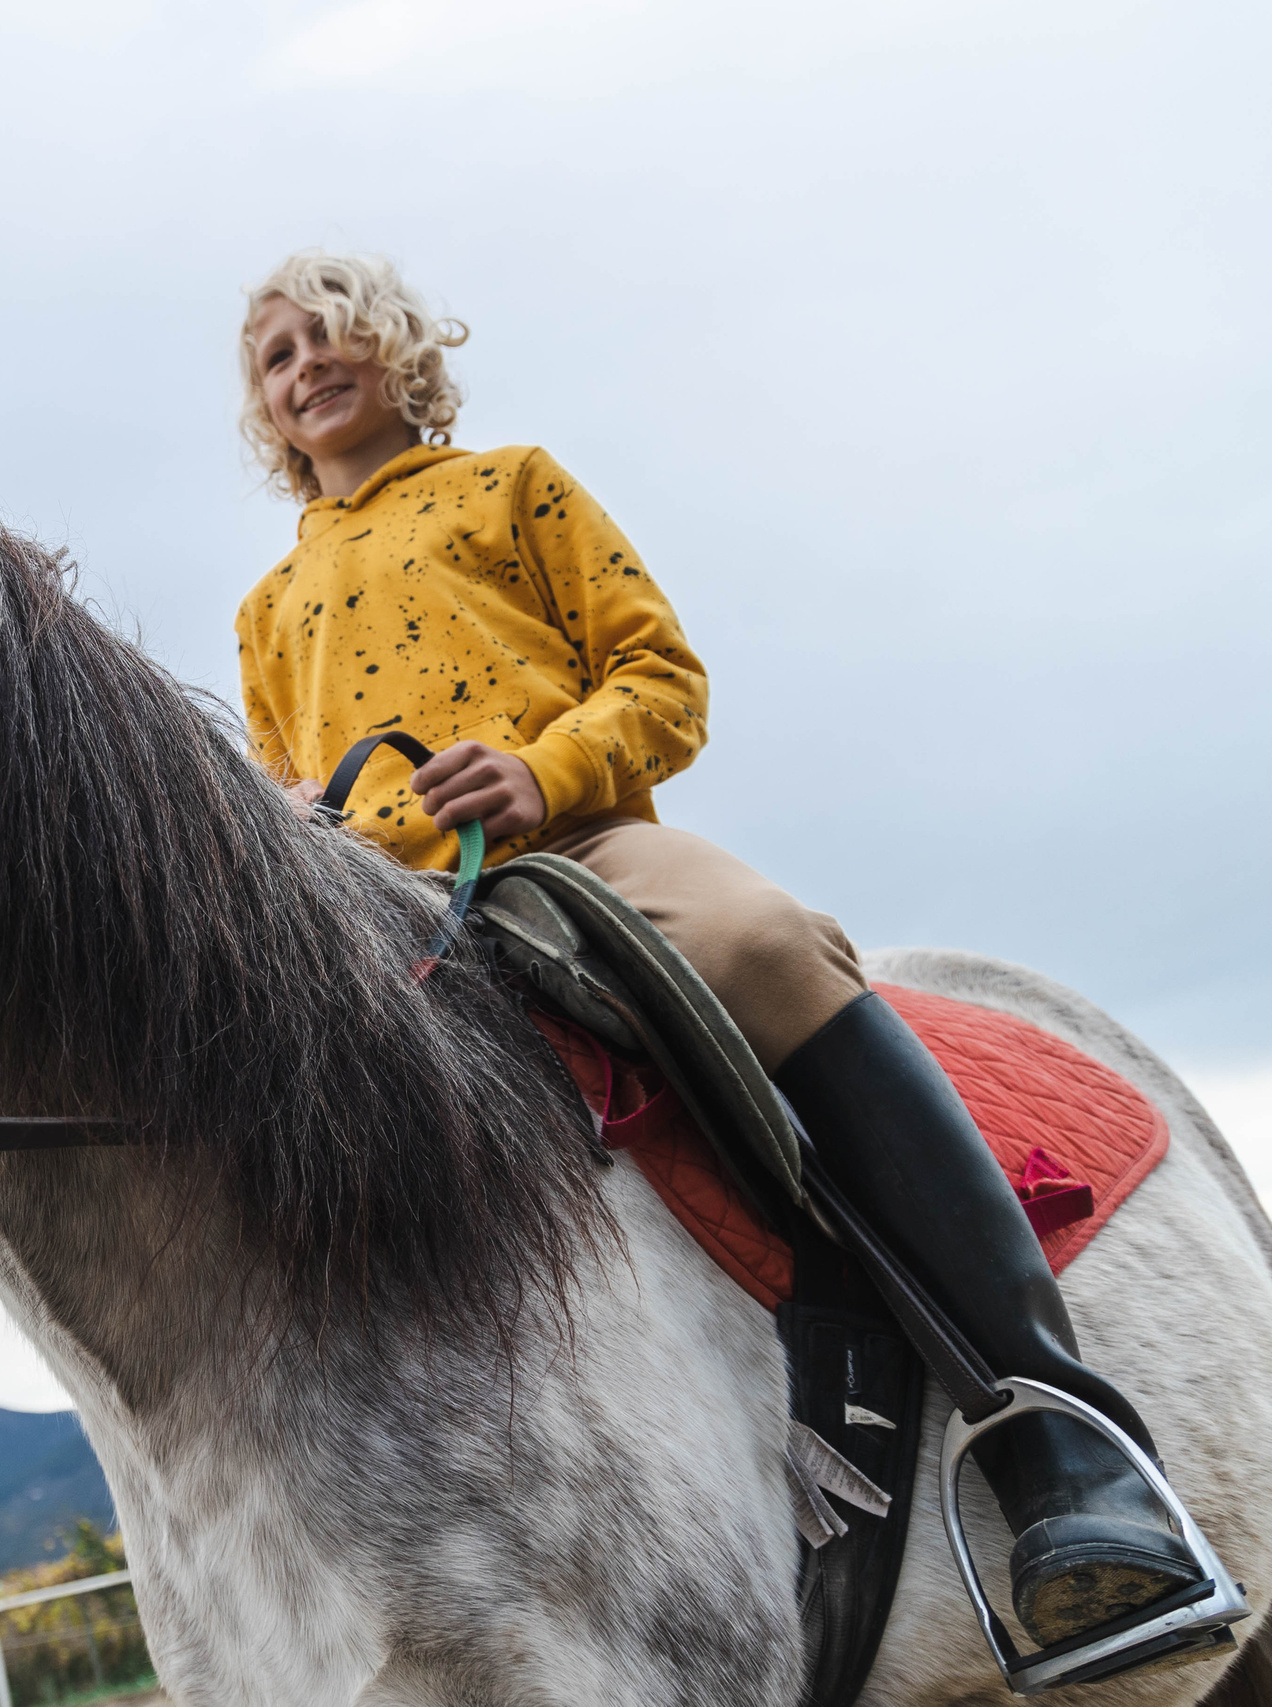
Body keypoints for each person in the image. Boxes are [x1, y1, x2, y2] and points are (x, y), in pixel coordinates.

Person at [233, 250, 1198, 1647]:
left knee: (755, 941)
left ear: (400, 357)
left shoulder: (517, 486)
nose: (308, 364)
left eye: (333, 337)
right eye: (277, 356)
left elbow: (662, 681)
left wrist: (543, 771)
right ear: (264, 412)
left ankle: (1060, 1434)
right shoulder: (266, 611)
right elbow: (285, 792)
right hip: (390, 912)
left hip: (579, 849)